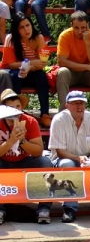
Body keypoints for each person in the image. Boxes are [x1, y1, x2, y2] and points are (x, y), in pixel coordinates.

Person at [48, 90, 90, 223]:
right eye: (75, 103)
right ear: (67, 105)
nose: (79, 106)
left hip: (89, 158)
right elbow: (60, 151)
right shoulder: (59, 120)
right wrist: (78, 158)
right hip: (65, 159)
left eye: (82, 103)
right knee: (68, 164)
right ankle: (69, 209)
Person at [0, 89, 52, 225]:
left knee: (45, 162)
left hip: (23, 161)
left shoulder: (30, 121)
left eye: (18, 106)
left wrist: (22, 141)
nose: (15, 111)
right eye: (11, 107)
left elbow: (38, 151)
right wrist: (11, 141)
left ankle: (44, 209)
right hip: (3, 162)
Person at [0, 12, 51, 128]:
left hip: (33, 72)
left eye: (28, 25)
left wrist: (30, 68)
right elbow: (10, 64)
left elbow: (42, 63)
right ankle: (16, 112)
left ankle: (44, 114)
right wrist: (30, 63)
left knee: (42, 76)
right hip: (16, 71)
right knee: (14, 76)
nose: (26, 30)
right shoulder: (11, 38)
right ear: (17, 30)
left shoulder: (39, 38)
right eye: (22, 27)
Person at [56, 11, 90, 113]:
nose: (80, 31)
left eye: (83, 28)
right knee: (62, 72)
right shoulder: (64, 36)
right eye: (76, 28)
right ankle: (64, 113)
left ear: (88, 25)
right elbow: (62, 61)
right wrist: (87, 67)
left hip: (88, 75)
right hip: (71, 73)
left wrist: (87, 42)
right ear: (71, 25)